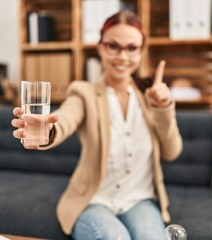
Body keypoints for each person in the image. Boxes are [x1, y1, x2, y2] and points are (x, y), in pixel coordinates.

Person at [12, 10, 182, 240]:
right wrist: (48, 129)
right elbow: (66, 117)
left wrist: (163, 109)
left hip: (139, 200)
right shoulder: (84, 93)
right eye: (114, 46)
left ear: (141, 51)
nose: (123, 56)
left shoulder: (151, 99)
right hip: (94, 200)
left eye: (132, 48)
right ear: (101, 47)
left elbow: (172, 152)